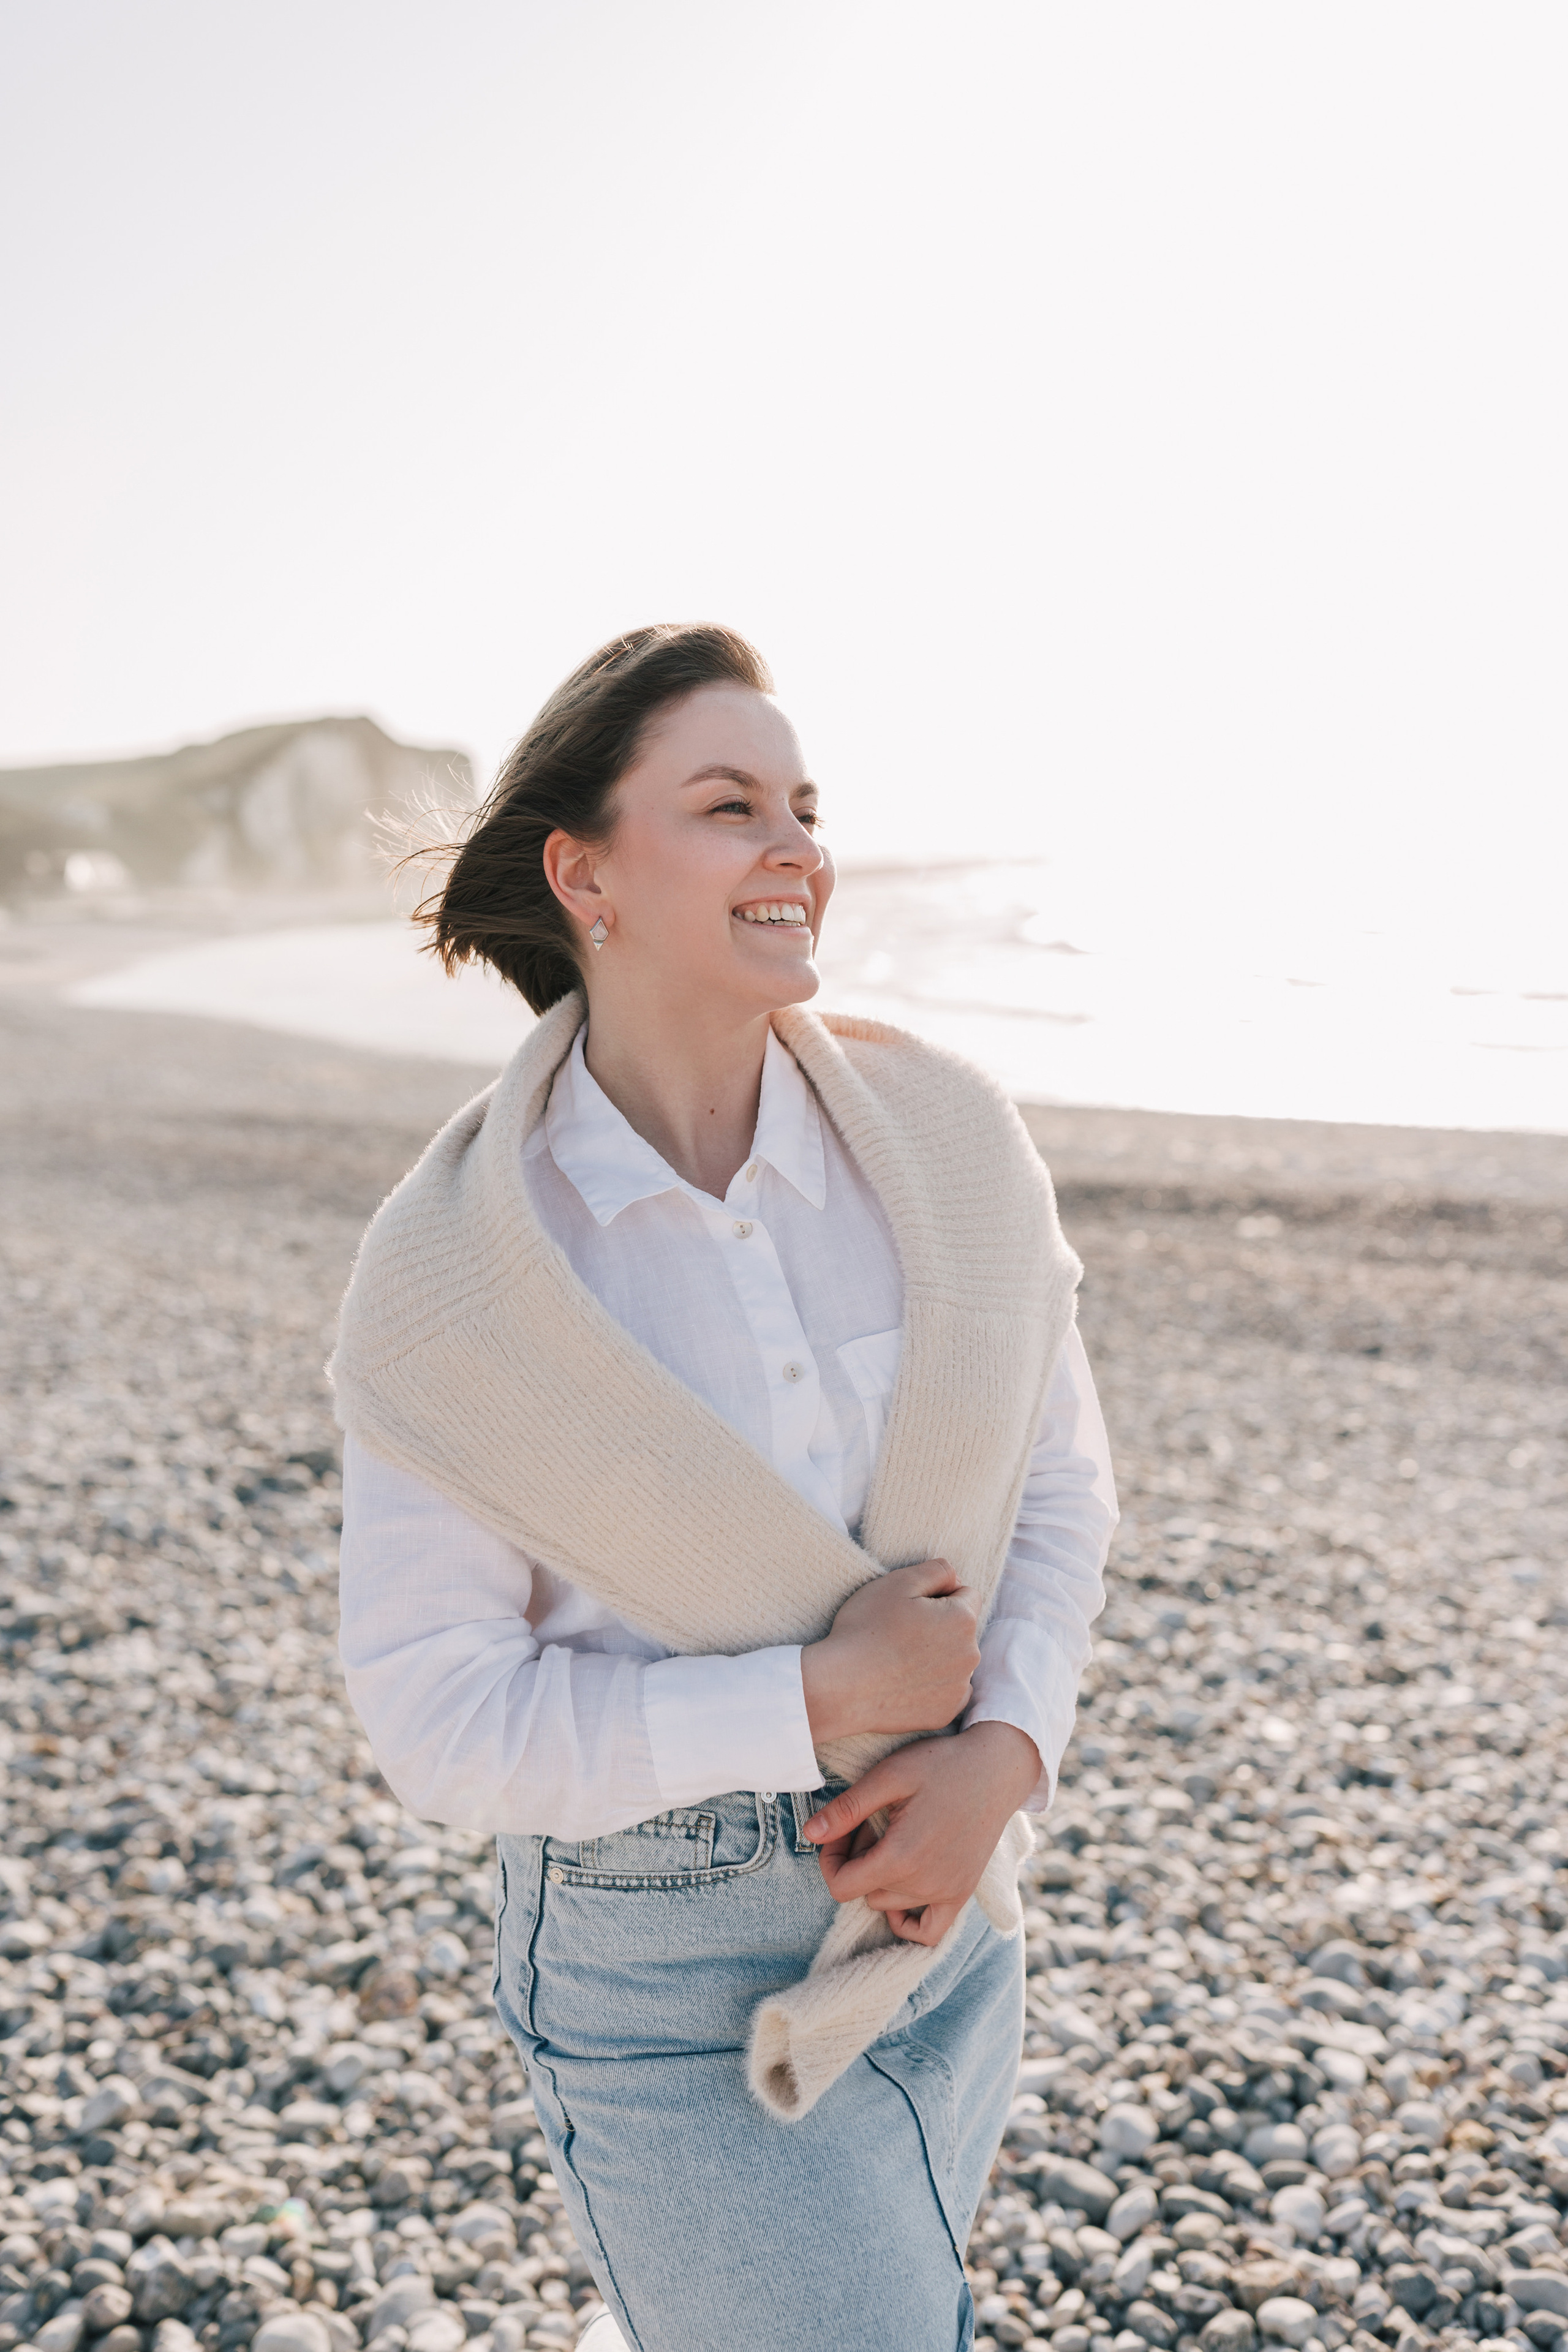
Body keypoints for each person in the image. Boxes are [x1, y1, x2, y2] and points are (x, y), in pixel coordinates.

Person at [333, 624, 1115, 2352]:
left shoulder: (952, 1140)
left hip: (946, 1914)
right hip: (652, 1966)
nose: (797, 846)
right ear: (583, 873)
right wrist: (814, 1698)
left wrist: (1009, 1750)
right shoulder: (460, 1274)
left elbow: (1060, 1488)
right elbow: (435, 1717)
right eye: (729, 804)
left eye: (806, 804)